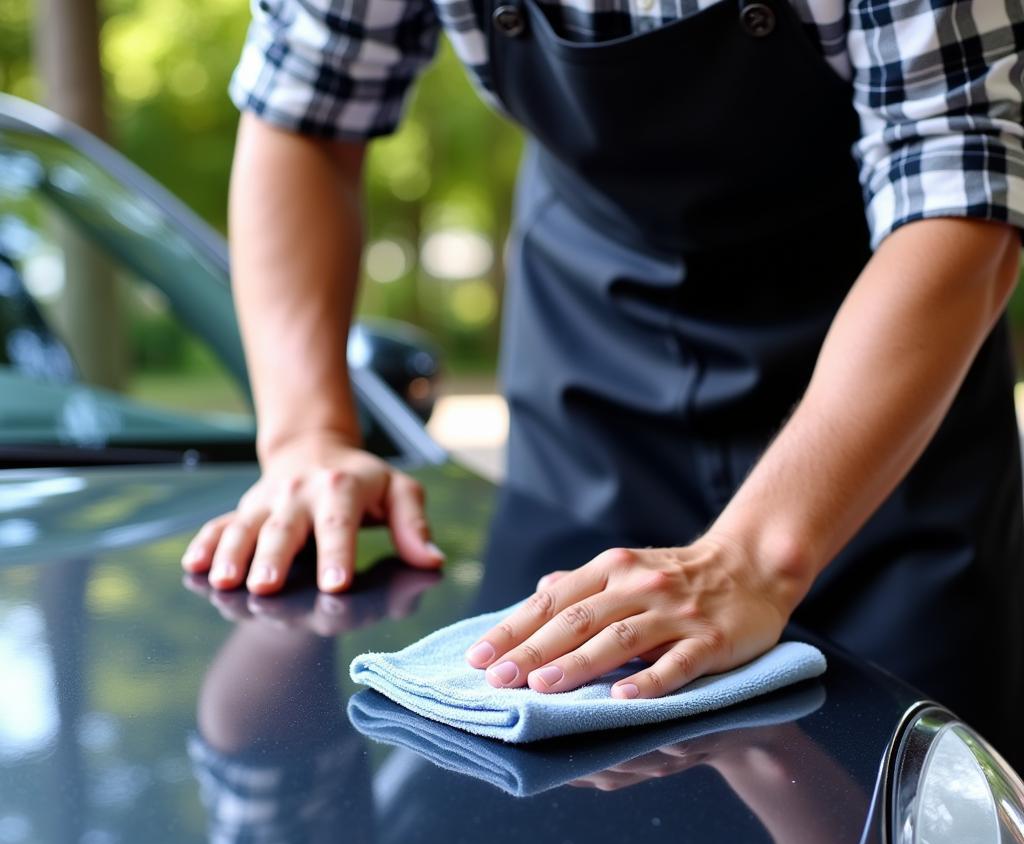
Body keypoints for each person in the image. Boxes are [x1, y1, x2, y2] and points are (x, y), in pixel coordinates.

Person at [181, 0, 1024, 744]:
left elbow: (957, 179)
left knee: (920, 824)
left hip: (888, 378)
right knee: (539, 728)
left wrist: (757, 557)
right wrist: (307, 438)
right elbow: (308, 117)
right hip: (589, 352)